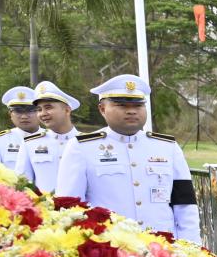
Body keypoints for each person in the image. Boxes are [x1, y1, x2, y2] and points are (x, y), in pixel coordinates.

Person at [53, 75, 199, 241]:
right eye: (121, 105)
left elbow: (185, 204)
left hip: (163, 247)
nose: (131, 111)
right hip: (109, 248)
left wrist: (192, 246)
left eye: (138, 105)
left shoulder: (167, 146)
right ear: (102, 109)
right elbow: (69, 208)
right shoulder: (81, 147)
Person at [9, 81, 82, 192]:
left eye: (48, 107)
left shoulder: (87, 143)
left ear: (67, 110)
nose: (43, 113)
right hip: (43, 203)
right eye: (39, 109)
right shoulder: (30, 143)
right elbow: (22, 186)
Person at [0, 85, 40, 169]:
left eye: (30, 110)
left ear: (39, 112)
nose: (24, 116)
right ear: (10, 114)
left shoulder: (52, 137)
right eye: (18, 111)